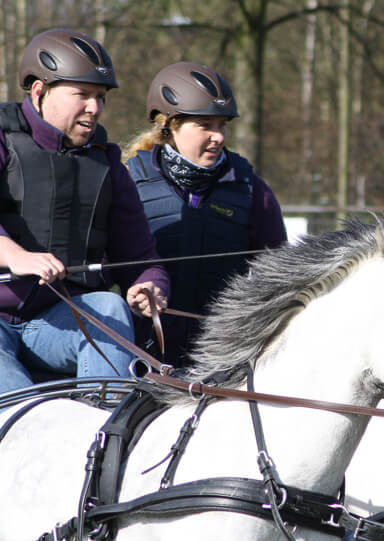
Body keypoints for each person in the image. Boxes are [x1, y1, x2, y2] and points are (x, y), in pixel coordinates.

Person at [0, 29, 168, 394]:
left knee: (109, 305)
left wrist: (150, 286)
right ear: (39, 92)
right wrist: (15, 255)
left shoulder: (107, 165)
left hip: (54, 324)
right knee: (21, 409)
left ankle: (107, 433)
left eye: (101, 98)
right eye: (83, 95)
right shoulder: (2, 138)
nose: (95, 108)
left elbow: (141, 257)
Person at [124, 61, 286, 367]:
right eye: (205, 125)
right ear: (170, 125)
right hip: (140, 350)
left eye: (222, 125)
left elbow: (278, 277)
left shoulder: (253, 191)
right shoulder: (127, 182)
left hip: (224, 356)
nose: (219, 136)